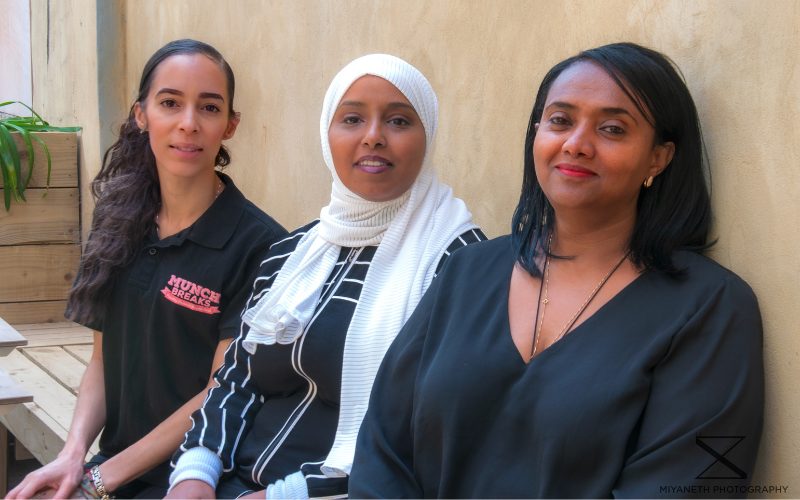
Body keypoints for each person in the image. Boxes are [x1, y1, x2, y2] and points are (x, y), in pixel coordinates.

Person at [350, 42, 764, 498]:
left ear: (658, 158)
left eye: (612, 129)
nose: (575, 144)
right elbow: (384, 444)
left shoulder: (709, 308)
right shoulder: (468, 271)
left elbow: (689, 486)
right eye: (560, 120)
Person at [166, 54, 486, 499]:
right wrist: (194, 474)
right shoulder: (293, 252)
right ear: (327, 133)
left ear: (427, 135)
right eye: (352, 118)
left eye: (398, 121)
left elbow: (426, 429)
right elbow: (236, 377)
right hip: (226, 483)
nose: (373, 137)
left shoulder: (458, 263)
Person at [7, 39, 287, 499]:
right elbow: (101, 361)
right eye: (170, 103)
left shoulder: (261, 245)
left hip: (199, 477)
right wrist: (73, 454)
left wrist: (100, 480)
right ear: (141, 115)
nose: (188, 123)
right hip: (114, 466)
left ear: (230, 125)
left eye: (209, 107)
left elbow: (218, 393)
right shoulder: (119, 217)